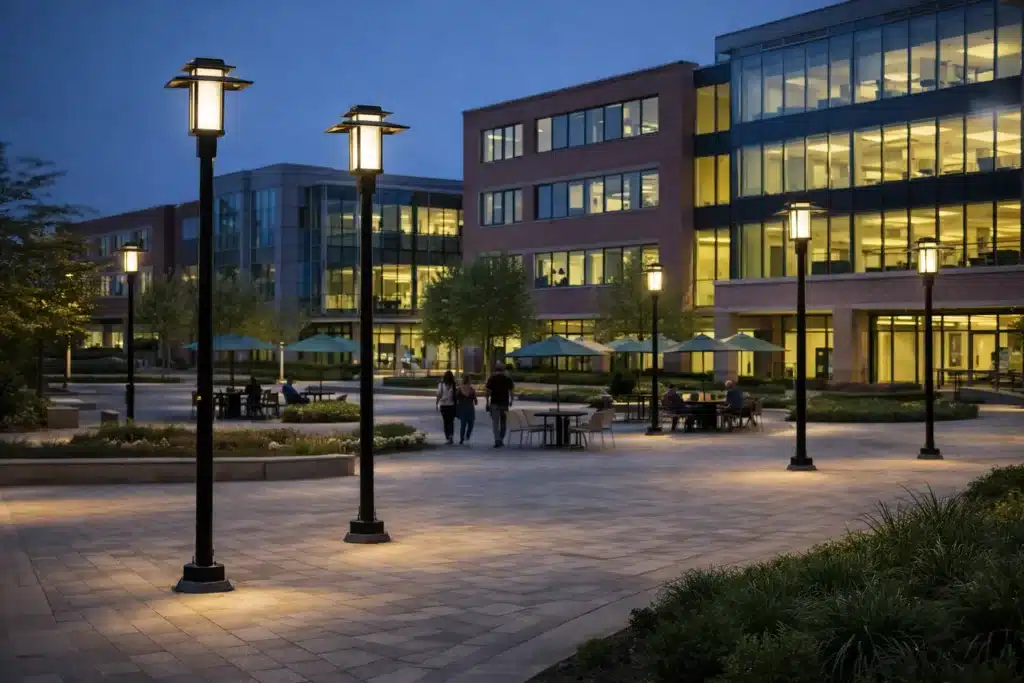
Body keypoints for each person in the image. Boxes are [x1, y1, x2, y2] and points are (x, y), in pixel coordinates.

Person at [485, 361, 515, 448]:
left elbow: (488, 392)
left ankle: (497, 440)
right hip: (504, 403)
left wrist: (487, 402)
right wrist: (511, 401)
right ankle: (501, 439)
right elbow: (511, 391)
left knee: (495, 423)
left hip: (494, 403)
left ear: (495, 370)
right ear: (504, 370)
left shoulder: (491, 379)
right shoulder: (508, 379)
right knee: (503, 423)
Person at [436, 370, 457, 445]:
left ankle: (448, 437)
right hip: (450, 405)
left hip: (445, 405)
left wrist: (437, 403)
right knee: (450, 421)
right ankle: (450, 436)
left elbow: (438, 395)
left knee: (447, 422)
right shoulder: (452, 384)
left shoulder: (442, 385)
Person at [456, 375, 478, 444]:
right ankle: (467, 435)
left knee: (463, 425)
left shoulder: (460, 388)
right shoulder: (472, 389)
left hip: (462, 409)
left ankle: (461, 439)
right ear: (469, 381)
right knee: (471, 424)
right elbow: (476, 401)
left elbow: (456, 397)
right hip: (470, 409)